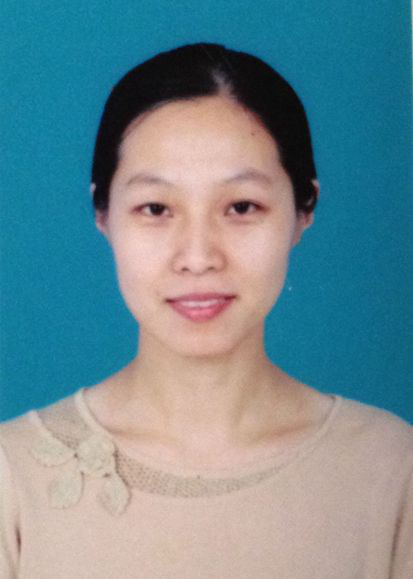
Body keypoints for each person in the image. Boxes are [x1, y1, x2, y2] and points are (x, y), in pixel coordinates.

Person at [0, 43, 412, 578]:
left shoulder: (392, 470)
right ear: (103, 214)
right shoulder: (14, 477)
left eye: (241, 207)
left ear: (302, 210)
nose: (198, 257)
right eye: (155, 208)